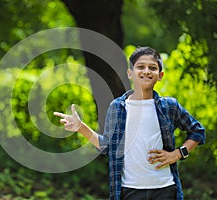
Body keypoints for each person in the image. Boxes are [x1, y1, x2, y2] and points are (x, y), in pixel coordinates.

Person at [53, 46, 205, 200]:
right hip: (129, 190)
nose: (146, 71)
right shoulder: (117, 107)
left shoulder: (169, 106)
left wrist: (178, 153)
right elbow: (107, 146)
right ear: (130, 73)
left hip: (165, 189)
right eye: (140, 67)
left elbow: (198, 131)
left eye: (152, 68)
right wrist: (81, 128)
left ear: (160, 75)